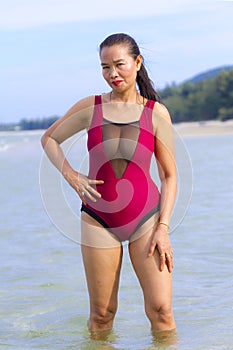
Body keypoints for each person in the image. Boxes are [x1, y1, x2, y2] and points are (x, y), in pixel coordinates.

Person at [41, 33, 177, 335]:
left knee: (162, 313)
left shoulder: (155, 113)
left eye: (119, 65)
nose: (112, 74)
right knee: (102, 316)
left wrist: (163, 228)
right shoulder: (90, 107)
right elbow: (49, 138)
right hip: (98, 219)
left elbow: (169, 175)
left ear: (137, 62)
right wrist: (71, 175)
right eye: (105, 67)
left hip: (146, 219)